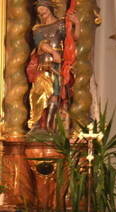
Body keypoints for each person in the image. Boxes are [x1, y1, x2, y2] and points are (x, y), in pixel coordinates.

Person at [26, 0, 80, 131]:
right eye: (39, 12)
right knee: (38, 93)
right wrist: (53, 52)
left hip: (57, 66)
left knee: (55, 95)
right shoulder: (37, 29)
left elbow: (73, 39)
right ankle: (37, 123)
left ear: (49, 8)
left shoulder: (61, 24)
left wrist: (77, 23)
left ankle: (50, 126)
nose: (42, 13)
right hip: (43, 65)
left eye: (43, 9)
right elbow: (41, 44)